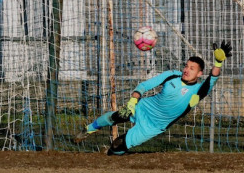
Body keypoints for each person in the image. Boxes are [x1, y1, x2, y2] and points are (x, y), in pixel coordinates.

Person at [75, 40, 232, 155]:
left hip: (154, 126)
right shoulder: (172, 75)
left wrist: (218, 63)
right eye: (186, 66)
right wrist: (132, 102)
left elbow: (213, 79)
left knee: (118, 146)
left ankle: (106, 155)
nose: (186, 70)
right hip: (143, 107)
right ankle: (89, 129)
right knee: (114, 116)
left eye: (192, 68)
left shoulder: (199, 91)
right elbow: (144, 86)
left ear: (199, 74)